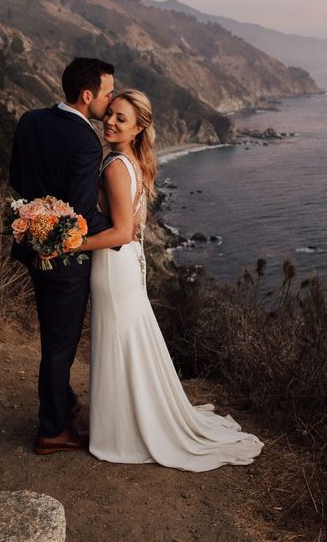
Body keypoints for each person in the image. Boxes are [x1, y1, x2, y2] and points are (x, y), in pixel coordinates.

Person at [79, 89, 263, 471]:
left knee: (117, 342)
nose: (110, 121)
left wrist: (70, 244)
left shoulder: (115, 165)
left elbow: (120, 232)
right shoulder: (130, 161)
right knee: (126, 343)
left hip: (113, 264)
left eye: (121, 118)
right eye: (109, 114)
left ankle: (120, 432)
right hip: (125, 265)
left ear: (138, 127)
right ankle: (125, 422)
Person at [9, 57, 116, 455]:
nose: (112, 100)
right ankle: (51, 429)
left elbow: (17, 180)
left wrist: (38, 218)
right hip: (66, 262)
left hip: (33, 249)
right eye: (108, 93)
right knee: (60, 345)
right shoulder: (86, 141)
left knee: (52, 336)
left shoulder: (31, 119)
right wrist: (123, 232)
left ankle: (64, 403)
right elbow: (83, 214)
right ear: (87, 96)